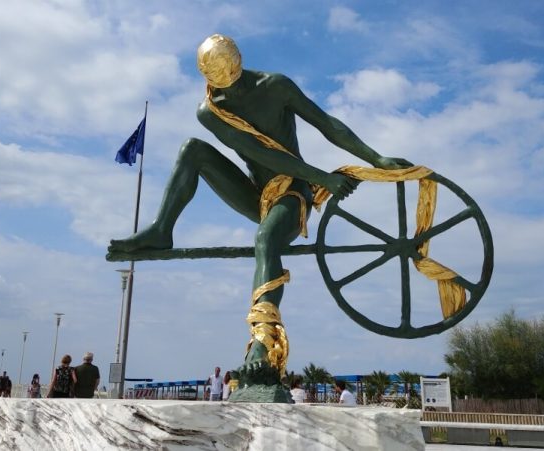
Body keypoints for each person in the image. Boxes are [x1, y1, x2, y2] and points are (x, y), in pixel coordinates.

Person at [108, 34, 411, 384]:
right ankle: (162, 229)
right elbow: (257, 152)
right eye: (222, 88)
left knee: (265, 239)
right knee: (192, 149)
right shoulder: (211, 110)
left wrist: (376, 159)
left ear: (239, 65)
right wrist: (323, 176)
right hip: (257, 194)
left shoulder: (276, 86)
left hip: (293, 192)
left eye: (233, 85)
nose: (229, 95)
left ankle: (261, 342)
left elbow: (328, 125)